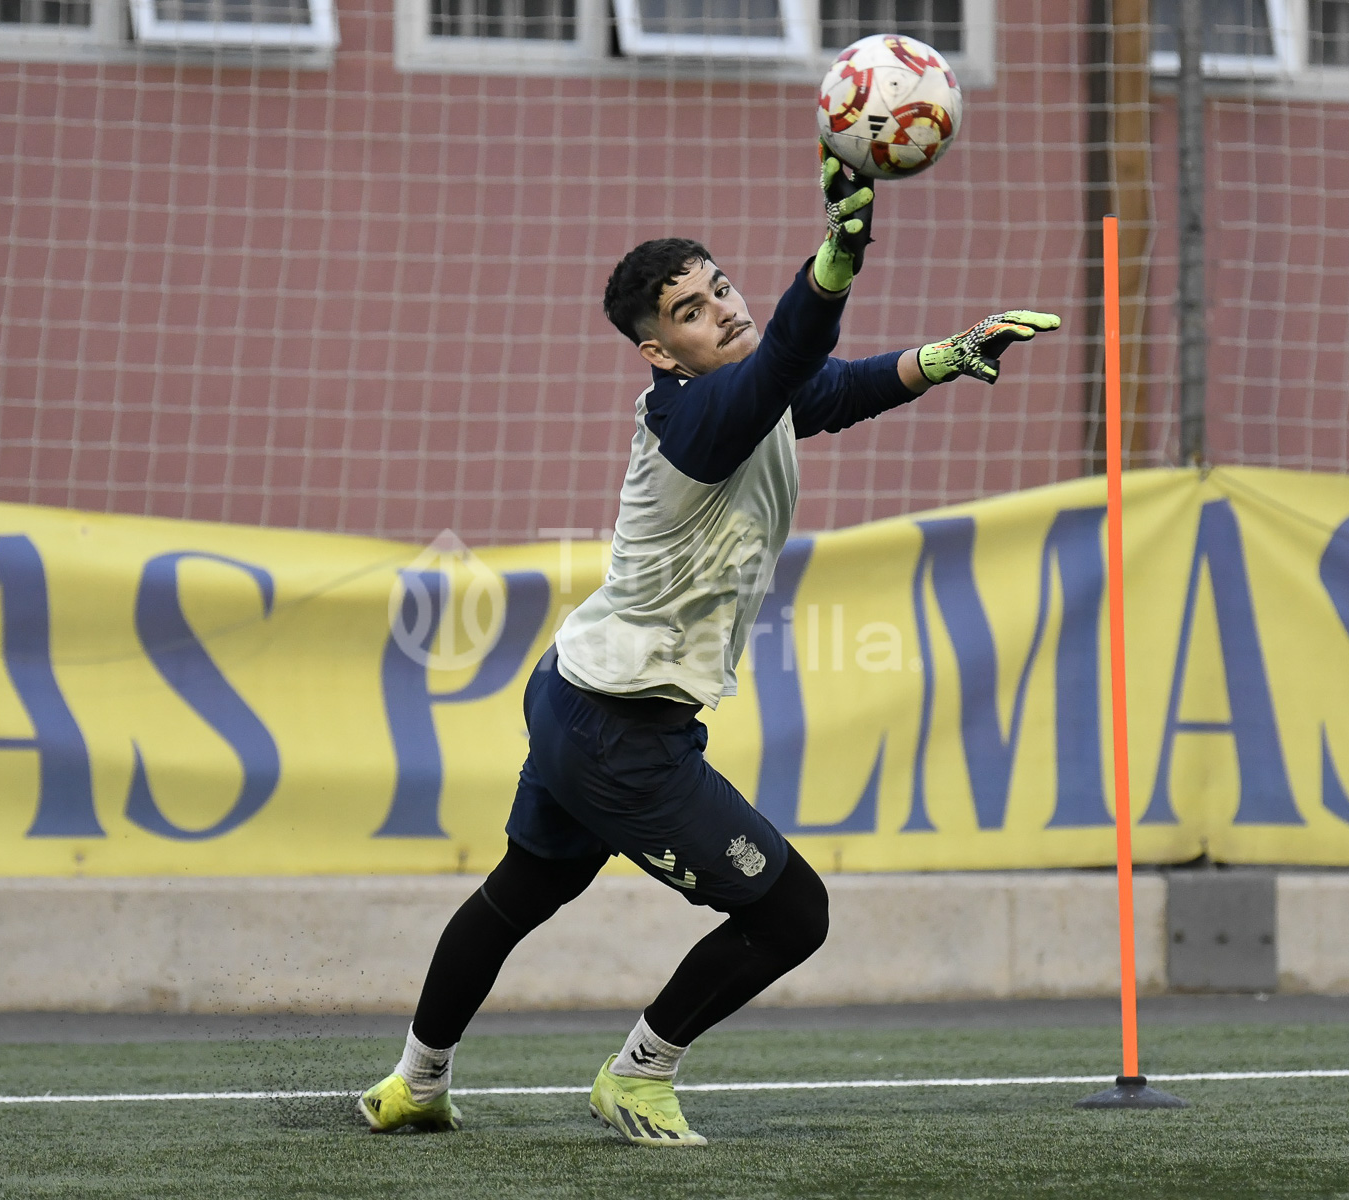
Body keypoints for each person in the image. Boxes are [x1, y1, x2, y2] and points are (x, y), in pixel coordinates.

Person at [360, 149, 1060, 1146]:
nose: (722, 311)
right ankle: (637, 1075)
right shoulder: (696, 416)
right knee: (793, 914)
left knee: (523, 891)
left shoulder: (750, 396)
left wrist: (946, 356)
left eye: (721, 287)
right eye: (690, 311)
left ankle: (414, 1084)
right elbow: (791, 359)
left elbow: (834, 388)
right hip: (617, 731)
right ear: (660, 352)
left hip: (575, 691)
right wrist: (838, 256)